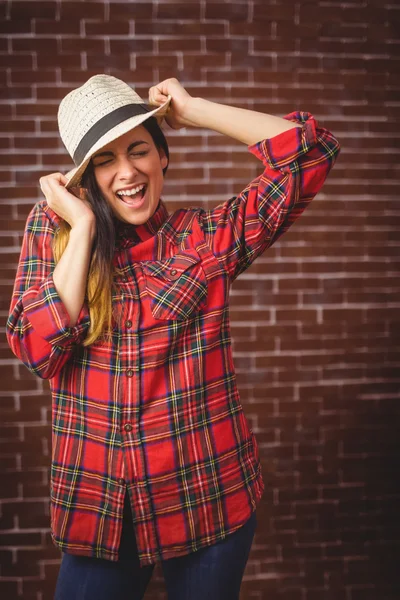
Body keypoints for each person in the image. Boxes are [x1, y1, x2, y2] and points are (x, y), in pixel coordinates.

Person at [6, 75, 340, 600]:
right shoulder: (57, 231)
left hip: (208, 492)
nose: (127, 172)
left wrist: (197, 109)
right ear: (87, 178)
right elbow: (37, 349)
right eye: (104, 161)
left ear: (164, 157)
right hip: (102, 510)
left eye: (139, 150)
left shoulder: (201, 240)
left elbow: (311, 153)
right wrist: (85, 224)